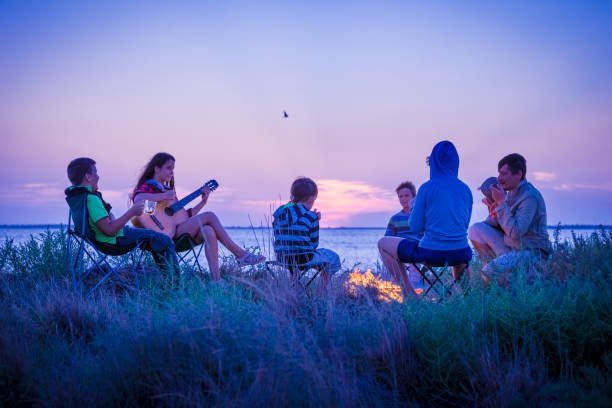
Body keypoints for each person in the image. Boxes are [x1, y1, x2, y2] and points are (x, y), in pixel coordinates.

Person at [132, 153, 264, 281]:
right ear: (157, 168)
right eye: (168, 168)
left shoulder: (168, 190)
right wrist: (164, 196)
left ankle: (216, 280)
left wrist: (203, 202)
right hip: (161, 236)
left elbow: (183, 217)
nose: (172, 172)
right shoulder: (148, 186)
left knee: (208, 231)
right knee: (210, 215)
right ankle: (240, 254)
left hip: (176, 231)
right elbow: (139, 199)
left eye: (173, 169)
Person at [378, 141, 473, 298]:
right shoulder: (465, 189)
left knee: (383, 243)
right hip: (461, 253)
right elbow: (464, 224)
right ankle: (468, 299)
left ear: (434, 163)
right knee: (458, 255)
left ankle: (409, 295)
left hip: (431, 253)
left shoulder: (426, 188)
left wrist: (414, 207)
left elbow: (414, 227)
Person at [66, 157, 180, 275]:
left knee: (155, 238)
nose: (98, 177)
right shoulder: (91, 199)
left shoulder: (77, 196)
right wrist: (131, 212)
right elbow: (110, 230)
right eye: (95, 173)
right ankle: (175, 284)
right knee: (164, 240)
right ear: (87, 176)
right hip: (113, 242)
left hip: (105, 239)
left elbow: (105, 224)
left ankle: (166, 278)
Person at [468, 153, 551, 286]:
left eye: (503, 173)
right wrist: (493, 212)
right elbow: (502, 227)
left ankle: (507, 295)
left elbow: (515, 232)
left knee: (488, 271)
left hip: (531, 252)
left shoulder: (529, 197)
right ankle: (497, 267)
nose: (499, 179)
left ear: (518, 174)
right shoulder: (510, 192)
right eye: (499, 173)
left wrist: (501, 204)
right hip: (512, 247)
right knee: (475, 229)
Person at [272, 177, 341, 288]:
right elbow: (314, 245)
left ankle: (294, 290)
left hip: (282, 257)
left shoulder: (279, 214)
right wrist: (314, 219)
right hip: (303, 258)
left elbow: (279, 236)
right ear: (312, 198)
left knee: (293, 251)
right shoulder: (311, 216)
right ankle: (321, 294)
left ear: (292, 196)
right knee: (333, 258)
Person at [384, 181, 423, 288]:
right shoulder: (395, 219)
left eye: (407, 195)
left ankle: (415, 285)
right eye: (400, 196)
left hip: (416, 248)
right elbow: (387, 238)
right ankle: (397, 282)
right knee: (389, 252)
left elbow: (426, 235)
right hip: (400, 248)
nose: (403, 199)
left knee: (415, 254)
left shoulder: (420, 216)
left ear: (414, 197)